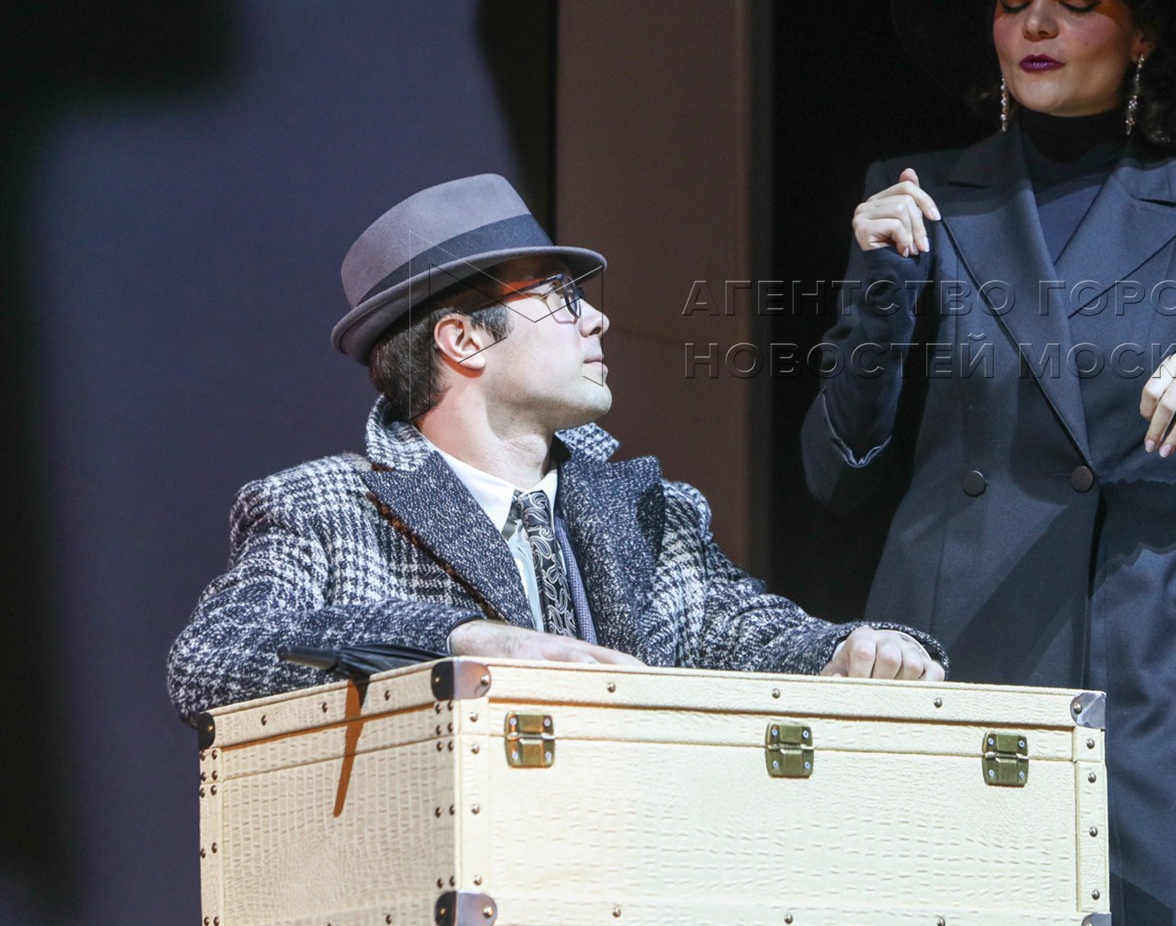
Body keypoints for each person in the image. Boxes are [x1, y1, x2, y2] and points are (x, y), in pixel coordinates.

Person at [800, 0, 1176, 925]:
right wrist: (883, 290)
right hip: (951, 649)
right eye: (1012, 0)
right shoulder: (917, 198)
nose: (1035, 26)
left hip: (1140, 669)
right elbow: (836, 475)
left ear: (1142, 33)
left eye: (1076, 3)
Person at [169, 174, 944, 724]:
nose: (596, 320)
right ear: (463, 339)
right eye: (560, 299)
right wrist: (456, 642)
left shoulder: (648, 509)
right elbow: (212, 659)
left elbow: (747, 630)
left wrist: (854, 648)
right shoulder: (326, 507)